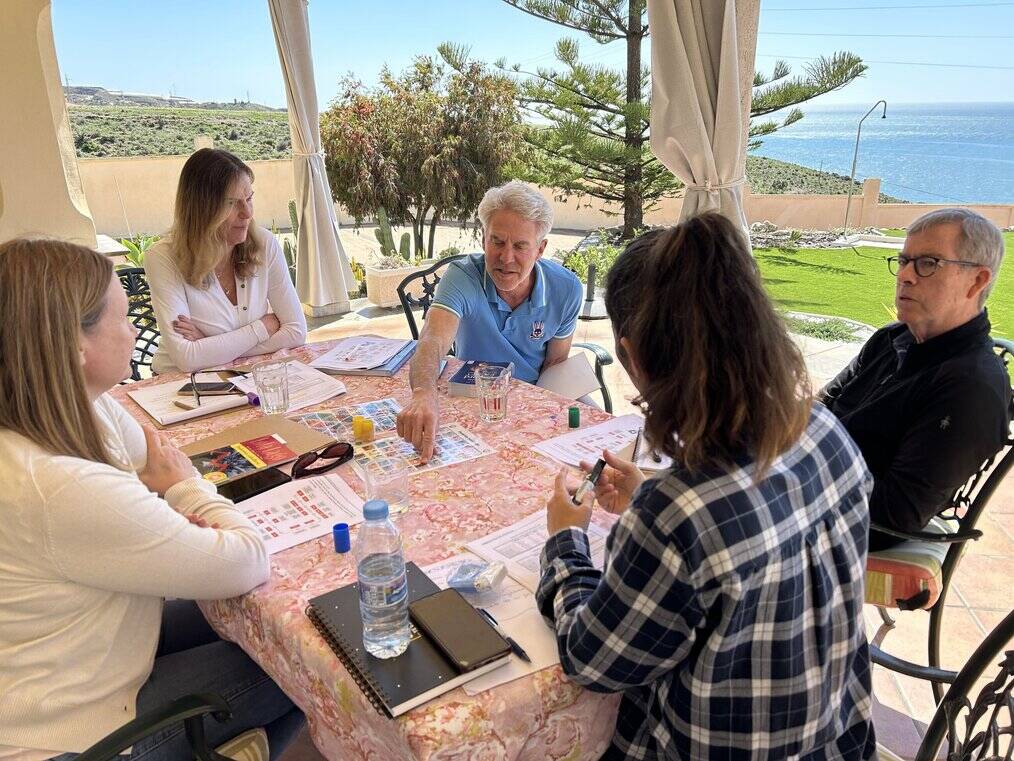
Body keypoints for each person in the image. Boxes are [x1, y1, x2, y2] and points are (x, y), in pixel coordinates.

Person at [537, 214, 876, 760]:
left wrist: (565, 542)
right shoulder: (826, 430)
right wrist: (652, 489)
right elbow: (751, 507)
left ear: (634, 356)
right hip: (839, 740)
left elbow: (592, 660)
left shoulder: (678, 516)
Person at [0, 239, 303, 759]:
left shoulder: (75, 409)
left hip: (82, 656)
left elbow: (157, 457)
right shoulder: (57, 485)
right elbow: (244, 560)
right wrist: (186, 489)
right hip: (75, 732)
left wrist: (174, 484)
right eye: (121, 319)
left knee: (256, 625)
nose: (137, 330)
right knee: (305, 664)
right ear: (76, 349)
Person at [820, 208, 1010, 550]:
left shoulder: (970, 387)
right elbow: (825, 405)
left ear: (977, 281)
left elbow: (891, 518)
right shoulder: (892, 339)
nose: (905, 275)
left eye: (928, 263)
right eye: (904, 260)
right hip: (806, 485)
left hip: (840, 525)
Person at [396, 180, 582, 461]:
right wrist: (423, 393)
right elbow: (433, 339)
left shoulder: (567, 288)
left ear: (540, 249)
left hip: (535, 393)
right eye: (497, 241)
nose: (506, 258)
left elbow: (555, 364)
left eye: (520, 246)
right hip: (473, 398)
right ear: (484, 238)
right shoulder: (462, 276)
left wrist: (535, 414)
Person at [145, 148, 307, 373]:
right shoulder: (162, 257)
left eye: (249, 198)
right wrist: (261, 328)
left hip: (246, 377)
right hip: (181, 384)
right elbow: (187, 358)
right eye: (231, 203)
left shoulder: (264, 244)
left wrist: (210, 345)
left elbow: (296, 332)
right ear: (202, 210)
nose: (247, 213)